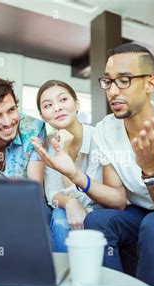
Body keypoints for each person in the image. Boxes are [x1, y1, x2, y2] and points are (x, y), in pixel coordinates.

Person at [33, 43, 154, 286]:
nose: (113, 91)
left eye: (124, 80)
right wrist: (75, 174)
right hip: (139, 210)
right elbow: (117, 198)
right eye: (108, 81)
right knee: (97, 221)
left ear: (150, 84)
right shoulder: (107, 128)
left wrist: (151, 169)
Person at [37, 80, 104, 252]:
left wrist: (64, 154)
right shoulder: (46, 144)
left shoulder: (98, 137)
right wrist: (70, 202)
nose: (57, 108)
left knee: (61, 217)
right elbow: (52, 193)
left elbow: (89, 198)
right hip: (66, 208)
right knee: (60, 217)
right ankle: (63, 275)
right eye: (48, 105)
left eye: (63, 100)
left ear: (77, 104)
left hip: (100, 208)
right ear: (43, 116)